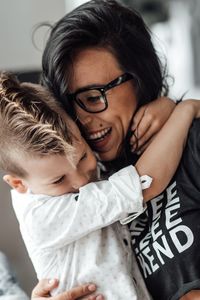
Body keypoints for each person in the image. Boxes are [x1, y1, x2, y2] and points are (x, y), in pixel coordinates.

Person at [38, 0, 200, 299]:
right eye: (68, 102)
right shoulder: (79, 186)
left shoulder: (193, 142)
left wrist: (184, 108)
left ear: (139, 78)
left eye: (94, 96)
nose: (82, 120)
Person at [0, 73, 199, 300]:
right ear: (18, 184)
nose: (81, 181)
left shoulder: (68, 173)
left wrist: (165, 104)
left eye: (83, 157)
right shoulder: (41, 217)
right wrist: (186, 110)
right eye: (58, 180)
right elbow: (143, 182)